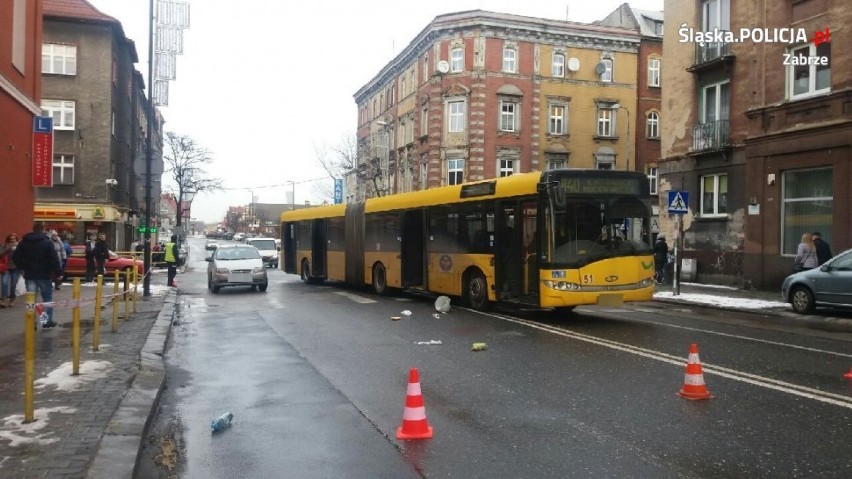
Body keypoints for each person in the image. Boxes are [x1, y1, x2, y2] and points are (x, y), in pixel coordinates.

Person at [13, 223, 62, 328]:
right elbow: (54, 258)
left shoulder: (23, 243)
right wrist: (58, 272)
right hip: (45, 274)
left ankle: (31, 322)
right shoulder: (47, 243)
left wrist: (24, 267)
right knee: (47, 299)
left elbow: (16, 257)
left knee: (31, 299)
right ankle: (46, 321)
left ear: (33, 230)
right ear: (43, 230)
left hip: (30, 274)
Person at [0, 233, 20, 307]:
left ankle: (12, 299)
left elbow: (22, 256)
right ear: (8, 240)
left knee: (13, 285)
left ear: (16, 239)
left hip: (16, 268)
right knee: (4, 283)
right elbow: (0, 254)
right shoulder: (4, 246)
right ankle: (3, 300)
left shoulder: (19, 246)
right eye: (11, 239)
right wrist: (8, 248)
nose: (12, 240)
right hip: (6, 268)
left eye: (14, 239)